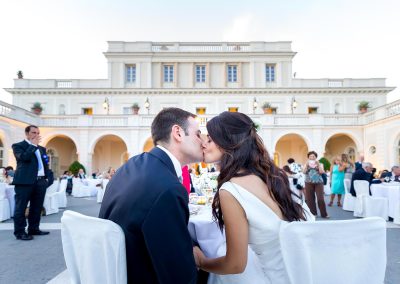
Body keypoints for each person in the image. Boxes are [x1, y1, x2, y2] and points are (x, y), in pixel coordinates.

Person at [194, 111, 307, 283]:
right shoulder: (272, 176)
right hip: (299, 273)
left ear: (228, 143)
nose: (203, 144)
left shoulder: (230, 190)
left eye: (209, 139)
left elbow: (235, 265)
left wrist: (202, 262)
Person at [99, 108, 204, 283]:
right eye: (198, 134)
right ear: (178, 133)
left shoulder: (133, 164)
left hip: (116, 269)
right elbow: (180, 276)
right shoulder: (169, 187)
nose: (203, 142)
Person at [11, 125, 53, 241]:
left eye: (38, 133)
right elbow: (24, 158)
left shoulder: (41, 149)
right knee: (21, 207)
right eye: (34, 132)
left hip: (40, 183)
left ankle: (34, 229)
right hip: (24, 182)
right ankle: (20, 232)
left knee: (36, 207)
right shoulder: (18, 146)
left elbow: (45, 164)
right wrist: (33, 145)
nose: (36, 135)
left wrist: (48, 178)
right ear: (27, 134)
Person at [303, 151, 329, 218]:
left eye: (313, 156)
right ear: (308, 157)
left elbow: (321, 172)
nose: (312, 157)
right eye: (310, 156)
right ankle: (313, 213)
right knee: (310, 199)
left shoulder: (320, 163)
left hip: (319, 183)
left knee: (320, 198)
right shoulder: (306, 163)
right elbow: (304, 172)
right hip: (308, 182)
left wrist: (319, 165)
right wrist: (306, 165)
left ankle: (324, 214)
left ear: (316, 157)